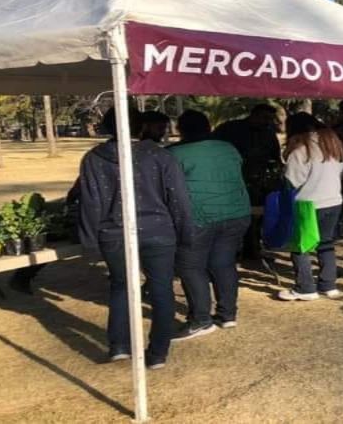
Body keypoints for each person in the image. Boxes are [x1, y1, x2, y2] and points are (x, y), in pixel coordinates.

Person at [78, 107, 194, 370]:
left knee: (121, 287)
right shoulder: (159, 156)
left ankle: (119, 345)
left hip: (115, 233)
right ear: (140, 127)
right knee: (161, 289)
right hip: (158, 231)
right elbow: (178, 198)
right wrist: (186, 232)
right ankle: (158, 353)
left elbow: (90, 204)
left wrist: (90, 243)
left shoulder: (94, 158)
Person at [168, 110, 251, 340]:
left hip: (199, 217)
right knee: (223, 264)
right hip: (235, 213)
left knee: (191, 267)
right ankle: (227, 314)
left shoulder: (174, 154)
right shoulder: (228, 148)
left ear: (180, 129)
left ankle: (201, 319)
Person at [277, 113, 343, 302]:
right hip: (334, 201)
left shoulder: (300, 149)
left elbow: (293, 180)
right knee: (326, 243)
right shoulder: (332, 145)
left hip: (308, 203)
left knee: (301, 246)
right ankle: (328, 284)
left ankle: (305, 287)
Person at [214, 104, 282, 259]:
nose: (268, 122)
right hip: (231, 180)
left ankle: (253, 248)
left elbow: (274, 155)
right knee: (234, 217)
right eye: (265, 118)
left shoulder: (268, 132)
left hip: (258, 182)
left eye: (270, 119)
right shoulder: (231, 128)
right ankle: (234, 250)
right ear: (255, 115)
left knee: (256, 217)